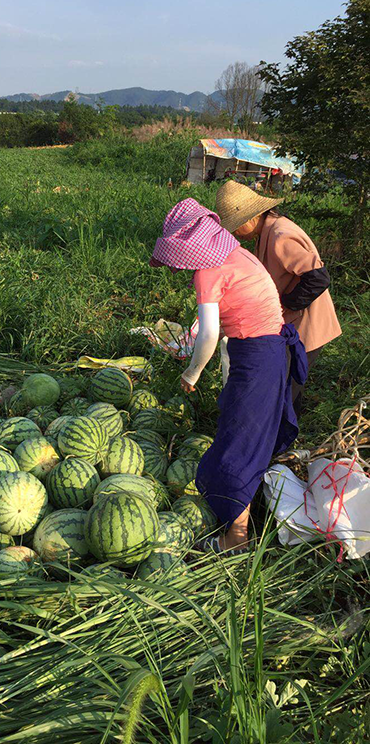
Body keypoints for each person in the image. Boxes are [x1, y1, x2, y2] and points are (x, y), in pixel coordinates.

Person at [150, 198, 307, 553]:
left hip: (257, 358)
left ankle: (236, 539)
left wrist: (191, 374)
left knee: (236, 446)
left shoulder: (207, 272)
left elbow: (208, 335)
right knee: (248, 436)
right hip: (272, 353)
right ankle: (244, 519)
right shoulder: (239, 255)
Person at [215, 181, 341, 415]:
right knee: (288, 383)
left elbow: (318, 278)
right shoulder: (266, 232)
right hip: (294, 324)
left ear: (250, 219)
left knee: (284, 386)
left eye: (235, 227)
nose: (233, 233)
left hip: (307, 325)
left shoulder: (280, 235)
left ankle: (278, 441)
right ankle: (289, 434)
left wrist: (285, 304)